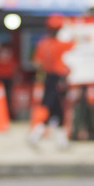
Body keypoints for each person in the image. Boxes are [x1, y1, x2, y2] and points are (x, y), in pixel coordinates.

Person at [28, 16, 70, 147]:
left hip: (48, 77)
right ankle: (36, 134)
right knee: (52, 107)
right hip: (58, 79)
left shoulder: (43, 43)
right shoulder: (60, 44)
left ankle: (60, 139)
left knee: (56, 109)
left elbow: (36, 62)